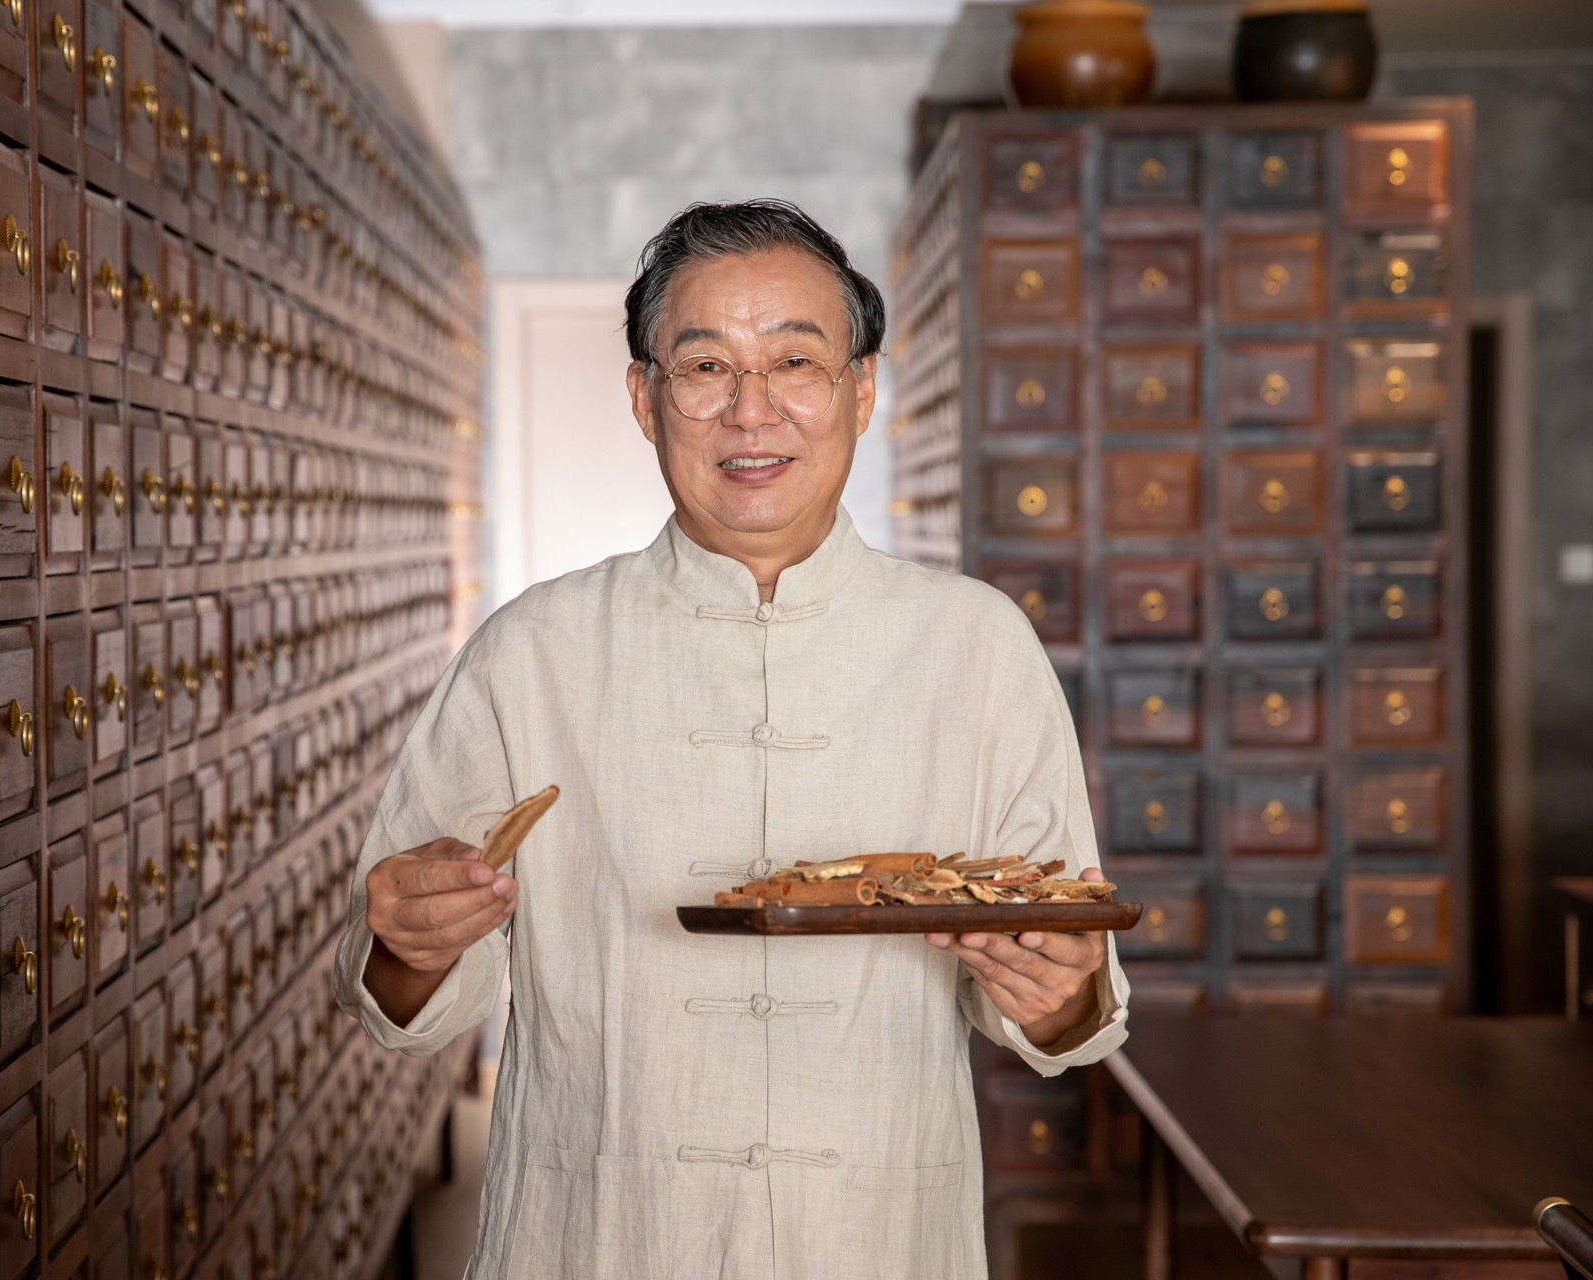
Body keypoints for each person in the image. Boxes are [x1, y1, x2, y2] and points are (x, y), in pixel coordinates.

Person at [334, 199, 1129, 1277]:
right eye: (704, 367)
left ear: (862, 388)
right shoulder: (531, 652)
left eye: (796, 362)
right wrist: (410, 940)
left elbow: (1063, 990)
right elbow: (407, 1005)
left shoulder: (977, 646)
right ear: (644, 397)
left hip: (876, 1239)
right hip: (598, 1238)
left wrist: (1062, 985)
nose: (753, 413)